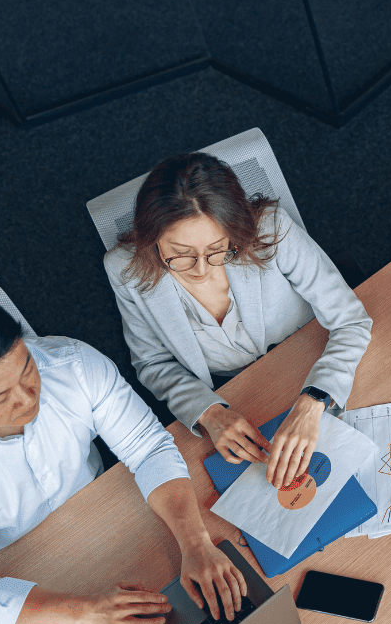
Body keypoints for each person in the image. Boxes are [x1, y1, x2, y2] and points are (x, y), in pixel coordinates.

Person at [0, 295, 248, 624]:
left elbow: (149, 448)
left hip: (106, 506)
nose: (28, 397)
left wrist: (196, 544)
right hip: (20, 567)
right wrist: (87, 612)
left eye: (26, 369)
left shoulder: (72, 363)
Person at [104, 152, 372, 489]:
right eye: (181, 254)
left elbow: (351, 320)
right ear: (150, 237)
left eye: (218, 250)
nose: (202, 270)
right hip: (237, 395)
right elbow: (152, 362)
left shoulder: (270, 228)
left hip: (313, 359)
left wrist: (313, 401)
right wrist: (208, 413)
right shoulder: (124, 270)